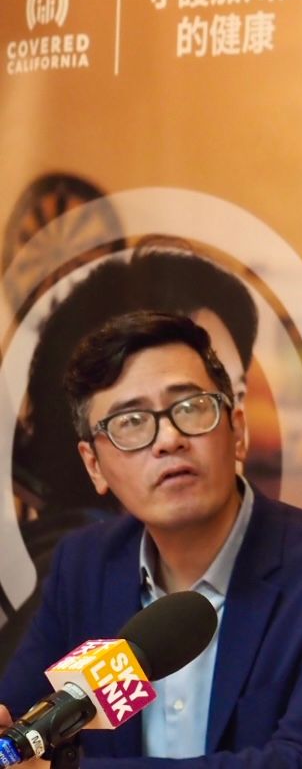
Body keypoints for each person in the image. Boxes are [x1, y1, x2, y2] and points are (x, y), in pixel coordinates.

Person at [0, 311, 302, 767]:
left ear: (238, 431)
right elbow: (16, 719)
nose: (169, 439)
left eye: (190, 407)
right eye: (131, 421)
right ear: (94, 465)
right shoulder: (85, 565)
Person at [1, 246, 262, 667]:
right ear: (91, 456)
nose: (172, 438)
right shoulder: (74, 570)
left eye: (199, 405)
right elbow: (25, 704)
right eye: (135, 418)